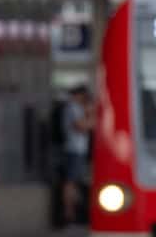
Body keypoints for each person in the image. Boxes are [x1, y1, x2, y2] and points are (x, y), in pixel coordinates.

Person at [61, 85, 93, 224]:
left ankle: (74, 211)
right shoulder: (73, 107)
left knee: (77, 181)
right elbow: (81, 126)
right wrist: (92, 117)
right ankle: (70, 213)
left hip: (78, 149)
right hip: (74, 149)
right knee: (71, 182)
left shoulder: (75, 108)